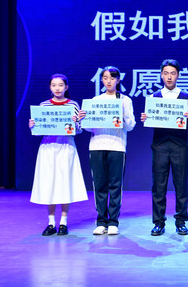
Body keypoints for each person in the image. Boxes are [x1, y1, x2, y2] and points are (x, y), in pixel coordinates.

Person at [140, 59, 188, 236]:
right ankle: (158, 222)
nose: (169, 77)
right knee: (158, 185)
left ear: (178, 75)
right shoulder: (154, 97)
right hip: (159, 145)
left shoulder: (186, 96)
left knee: (181, 184)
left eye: (173, 73)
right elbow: (150, 119)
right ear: (161, 75)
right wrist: (146, 118)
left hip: (179, 146)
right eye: (166, 73)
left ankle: (181, 221)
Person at [29, 74, 88, 236]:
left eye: (61, 85)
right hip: (48, 147)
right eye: (54, 85)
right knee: (49, 183)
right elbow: (39, 130)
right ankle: (51, 223)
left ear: (66, 87)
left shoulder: (73, 105)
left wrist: (77, 122)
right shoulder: (44, 105)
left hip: (66, 146)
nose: (57, 88)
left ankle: (63, 222)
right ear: (50, 87)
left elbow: (78, 130)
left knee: (64, 183)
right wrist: (33, 126)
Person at [86, 66, 136, 236]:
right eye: (105, 78)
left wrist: (122, 116)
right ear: (101, 80)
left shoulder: (125, 100)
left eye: (112, 78)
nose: (109, 81)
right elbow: (88, 127)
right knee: (99, 185)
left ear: (118, 80)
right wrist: (84, 119)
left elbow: (131, 126)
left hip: (117, 146)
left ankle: (113, 222)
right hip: (97, 145)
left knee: (115, 185)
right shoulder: (95, 100)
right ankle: (101, 221)